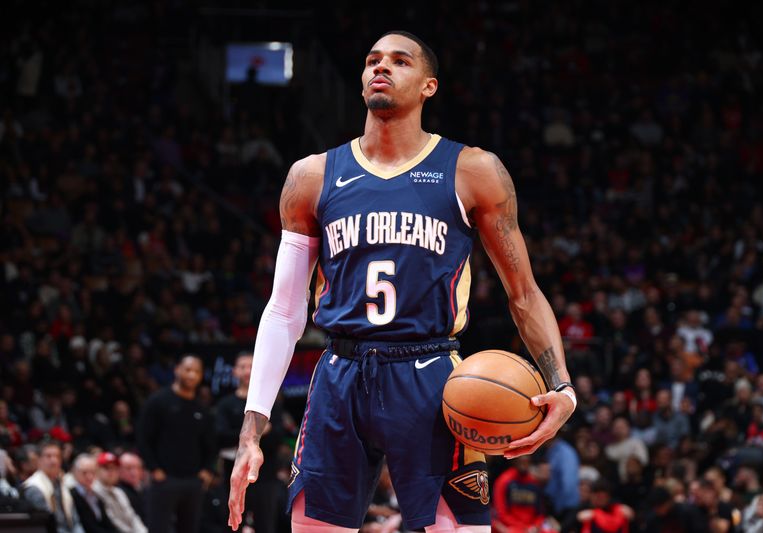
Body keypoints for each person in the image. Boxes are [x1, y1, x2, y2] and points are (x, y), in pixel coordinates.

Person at [227, 30, 575, 533]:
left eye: (399, 60)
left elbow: (522, 293)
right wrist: (251, 430)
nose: (380, 67)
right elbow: (284, 311)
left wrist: (563, 387)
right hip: (340, 373)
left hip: (431, 374)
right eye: (372, 60)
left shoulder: (472, 170)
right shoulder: (312, 176)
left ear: (429, 86)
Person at [137, 355, 216, 533]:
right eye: (188, 370)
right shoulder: (158, 402)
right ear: (177, 370)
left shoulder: (201, 408)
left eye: (196, 371)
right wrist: (154, 468)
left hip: (193, 482)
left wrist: (207, 470)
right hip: (164, 480)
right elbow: (143, 438)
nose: (191, 375)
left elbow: (211, 444)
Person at [216, 353, 285, 533]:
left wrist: (255, 434)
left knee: (266, 525)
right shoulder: (225, 404)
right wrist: (256, 432)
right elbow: (220, 437)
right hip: (234, 476)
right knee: (232, 524)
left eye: (251, 366)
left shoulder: (272, 404)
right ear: (234, 372)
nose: (248, 371)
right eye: (243, 366)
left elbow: (279, 437)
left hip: (266, 476)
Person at [22, 440, 84, 533]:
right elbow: (48, 525)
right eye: (48, 456)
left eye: (57, 456)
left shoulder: (64, 484)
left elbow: (75, 521)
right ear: (38, 459)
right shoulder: (33, 487)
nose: (54, 460)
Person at [93, 452, 147, 533]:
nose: (111, 472)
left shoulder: (119, 492)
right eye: (106, 468)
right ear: (97, 470)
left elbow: (132, 517)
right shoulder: (94, 491)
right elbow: (113, 521)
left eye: (114, 468)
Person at [69, 454, 118, 533]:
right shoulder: (72, 495)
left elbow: (107, 522)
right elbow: (88, 526)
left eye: (92, 472)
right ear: (75, 472)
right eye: (84, 472)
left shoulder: (96, 495)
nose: (89, 476)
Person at [117, 452, 146, 522]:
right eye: (128, 468)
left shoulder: (145, 490)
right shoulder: (118, 492)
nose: (134, 472)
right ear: (119, 470)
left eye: (138, 468)